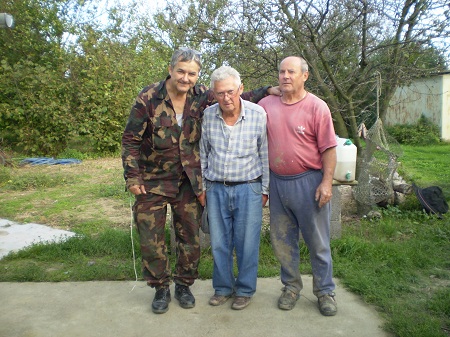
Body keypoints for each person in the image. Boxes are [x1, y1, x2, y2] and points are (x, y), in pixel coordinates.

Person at [121, 48, 278, 314]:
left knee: (190, 238)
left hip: (188, 182)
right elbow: (130, 140)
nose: (185, 78)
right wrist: (132, 175)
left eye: (191, 73)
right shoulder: (148, 98)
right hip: (152, 181)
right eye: (181, 71)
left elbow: (233, 96)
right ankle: (160, 288)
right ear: (170, 69)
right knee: (151, 238)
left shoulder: (201, 96)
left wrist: (268, 89)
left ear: (198, 75)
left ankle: (183, 285)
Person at [258, 56, 338, 316]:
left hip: (309, 182)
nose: (285, 76)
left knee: (318, 241)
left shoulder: (317, 107)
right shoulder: (266, 104)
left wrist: (327, 183)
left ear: (305, 75)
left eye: (291, 72)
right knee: (282, 240)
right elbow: (237, 104)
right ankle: (291, 287)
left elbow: (329, 148)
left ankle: (325, 291)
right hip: (277, 182)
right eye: (281, 72)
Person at [200, 66, 269, 310]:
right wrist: (203, 187)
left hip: (248, 188)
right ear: (213, 94)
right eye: (220, 93)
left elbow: (265, 153)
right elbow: (203, 153)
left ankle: (245, 290)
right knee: (219, 242)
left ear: (240, 88)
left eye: (230, 91)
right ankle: (223, 288)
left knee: (247, 243)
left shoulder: (258, 113)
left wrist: (264, 190)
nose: (226, 98)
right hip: (216, 188)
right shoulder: (208, 115)